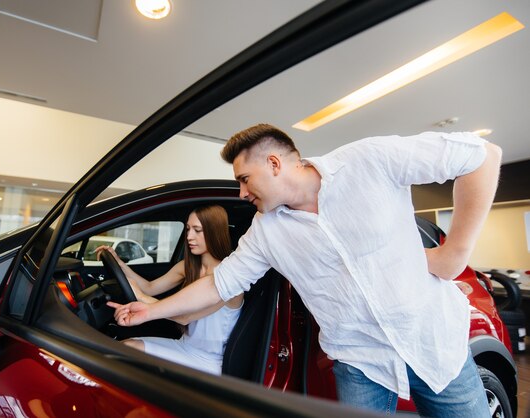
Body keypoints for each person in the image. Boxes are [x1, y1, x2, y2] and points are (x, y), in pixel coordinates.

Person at [111, 124, 502, 417]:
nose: (242, 194)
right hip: (360, 362)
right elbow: (219, 284)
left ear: (275, 163)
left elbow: (483, 155)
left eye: (244, 179)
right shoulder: (265, 232)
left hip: (434, 342)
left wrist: (455, 252)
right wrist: (152, 310)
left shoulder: (369, 160)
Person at [100, 205, 244, 375]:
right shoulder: (188, 267)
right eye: (188, 229)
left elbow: (184, 317)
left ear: (214, 232)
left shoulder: (228, 281)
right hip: (184, 345)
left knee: (127, 349)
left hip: (208, 361)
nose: (189, 236)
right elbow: (150, 287)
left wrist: (141, 297)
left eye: (197, 230)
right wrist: (118, 263)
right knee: (125, 345)